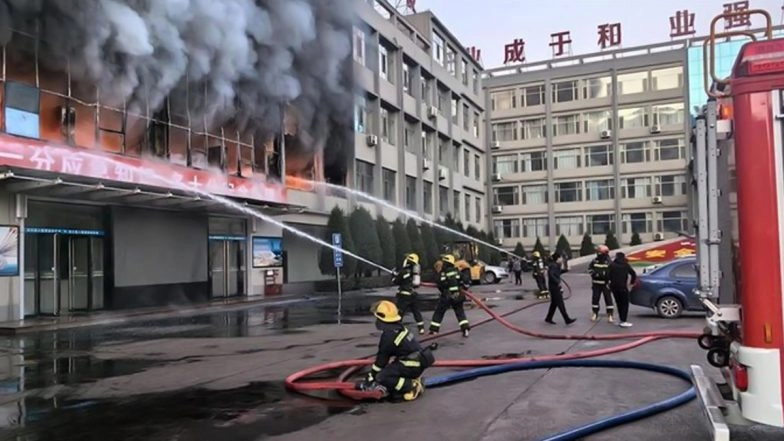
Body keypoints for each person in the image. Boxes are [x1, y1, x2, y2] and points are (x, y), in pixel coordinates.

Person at [356, 300, 434, 401]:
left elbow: (381, 361)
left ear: (380, 319)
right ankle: (411, 380)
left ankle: (412, 385)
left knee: (382, 377)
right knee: (390, 370)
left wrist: (372, 377)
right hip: (417, 362)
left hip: (411, 365)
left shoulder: (388, 336)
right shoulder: (399, 327)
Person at [429, 254, 471, 338]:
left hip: (446, 296)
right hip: (458, 295)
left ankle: (434, 330)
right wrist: (464, 288)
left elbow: (439, 283)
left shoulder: (443, 273)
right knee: (460, 312)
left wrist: (443, 290)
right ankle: (465, 329)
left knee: (439, 312)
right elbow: (466, 280)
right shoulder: (457, 271)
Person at [393, 253, 425, 334]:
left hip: (404, 296)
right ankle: (421, 328)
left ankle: (396, 328)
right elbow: (416, 284)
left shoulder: (403, 272)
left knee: (400, 312)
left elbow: (396, 282)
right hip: (413, 295)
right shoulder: (414, 272)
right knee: (416, 312)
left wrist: (393, 275)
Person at [545, 252, 576, 326]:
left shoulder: (556, 265)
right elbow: (551, 275)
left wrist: (566, 270)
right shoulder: (553, 266)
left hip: (554, 287)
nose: (562, 259)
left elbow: (558, 273)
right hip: (554, 287)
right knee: (560, 303)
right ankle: (567, 319)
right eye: (560, 257)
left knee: (554, 304)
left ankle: (548, 318)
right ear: (557, 258)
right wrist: (557, 282)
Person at [608, 252, 637, 328]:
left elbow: (607, 275)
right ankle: (623, 320)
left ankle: (621, 319)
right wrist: (632, 283)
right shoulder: (625, 265)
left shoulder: (612, 265)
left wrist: (609, 283)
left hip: (614, 287)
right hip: (623, 287)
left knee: (619, 303)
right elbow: (633, 273)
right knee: (625, 304)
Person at [588, 245, 615, 323]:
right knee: (595, 299)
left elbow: (612, 272)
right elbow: (590, 269)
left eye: (599, 252)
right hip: (596, 284)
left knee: (608, 300)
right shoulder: (594, 261)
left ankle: (610, 315)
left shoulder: (609, 262)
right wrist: (594, 274)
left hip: (606, 284)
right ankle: (595, 313)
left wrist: (607, 278)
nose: (598, 253)